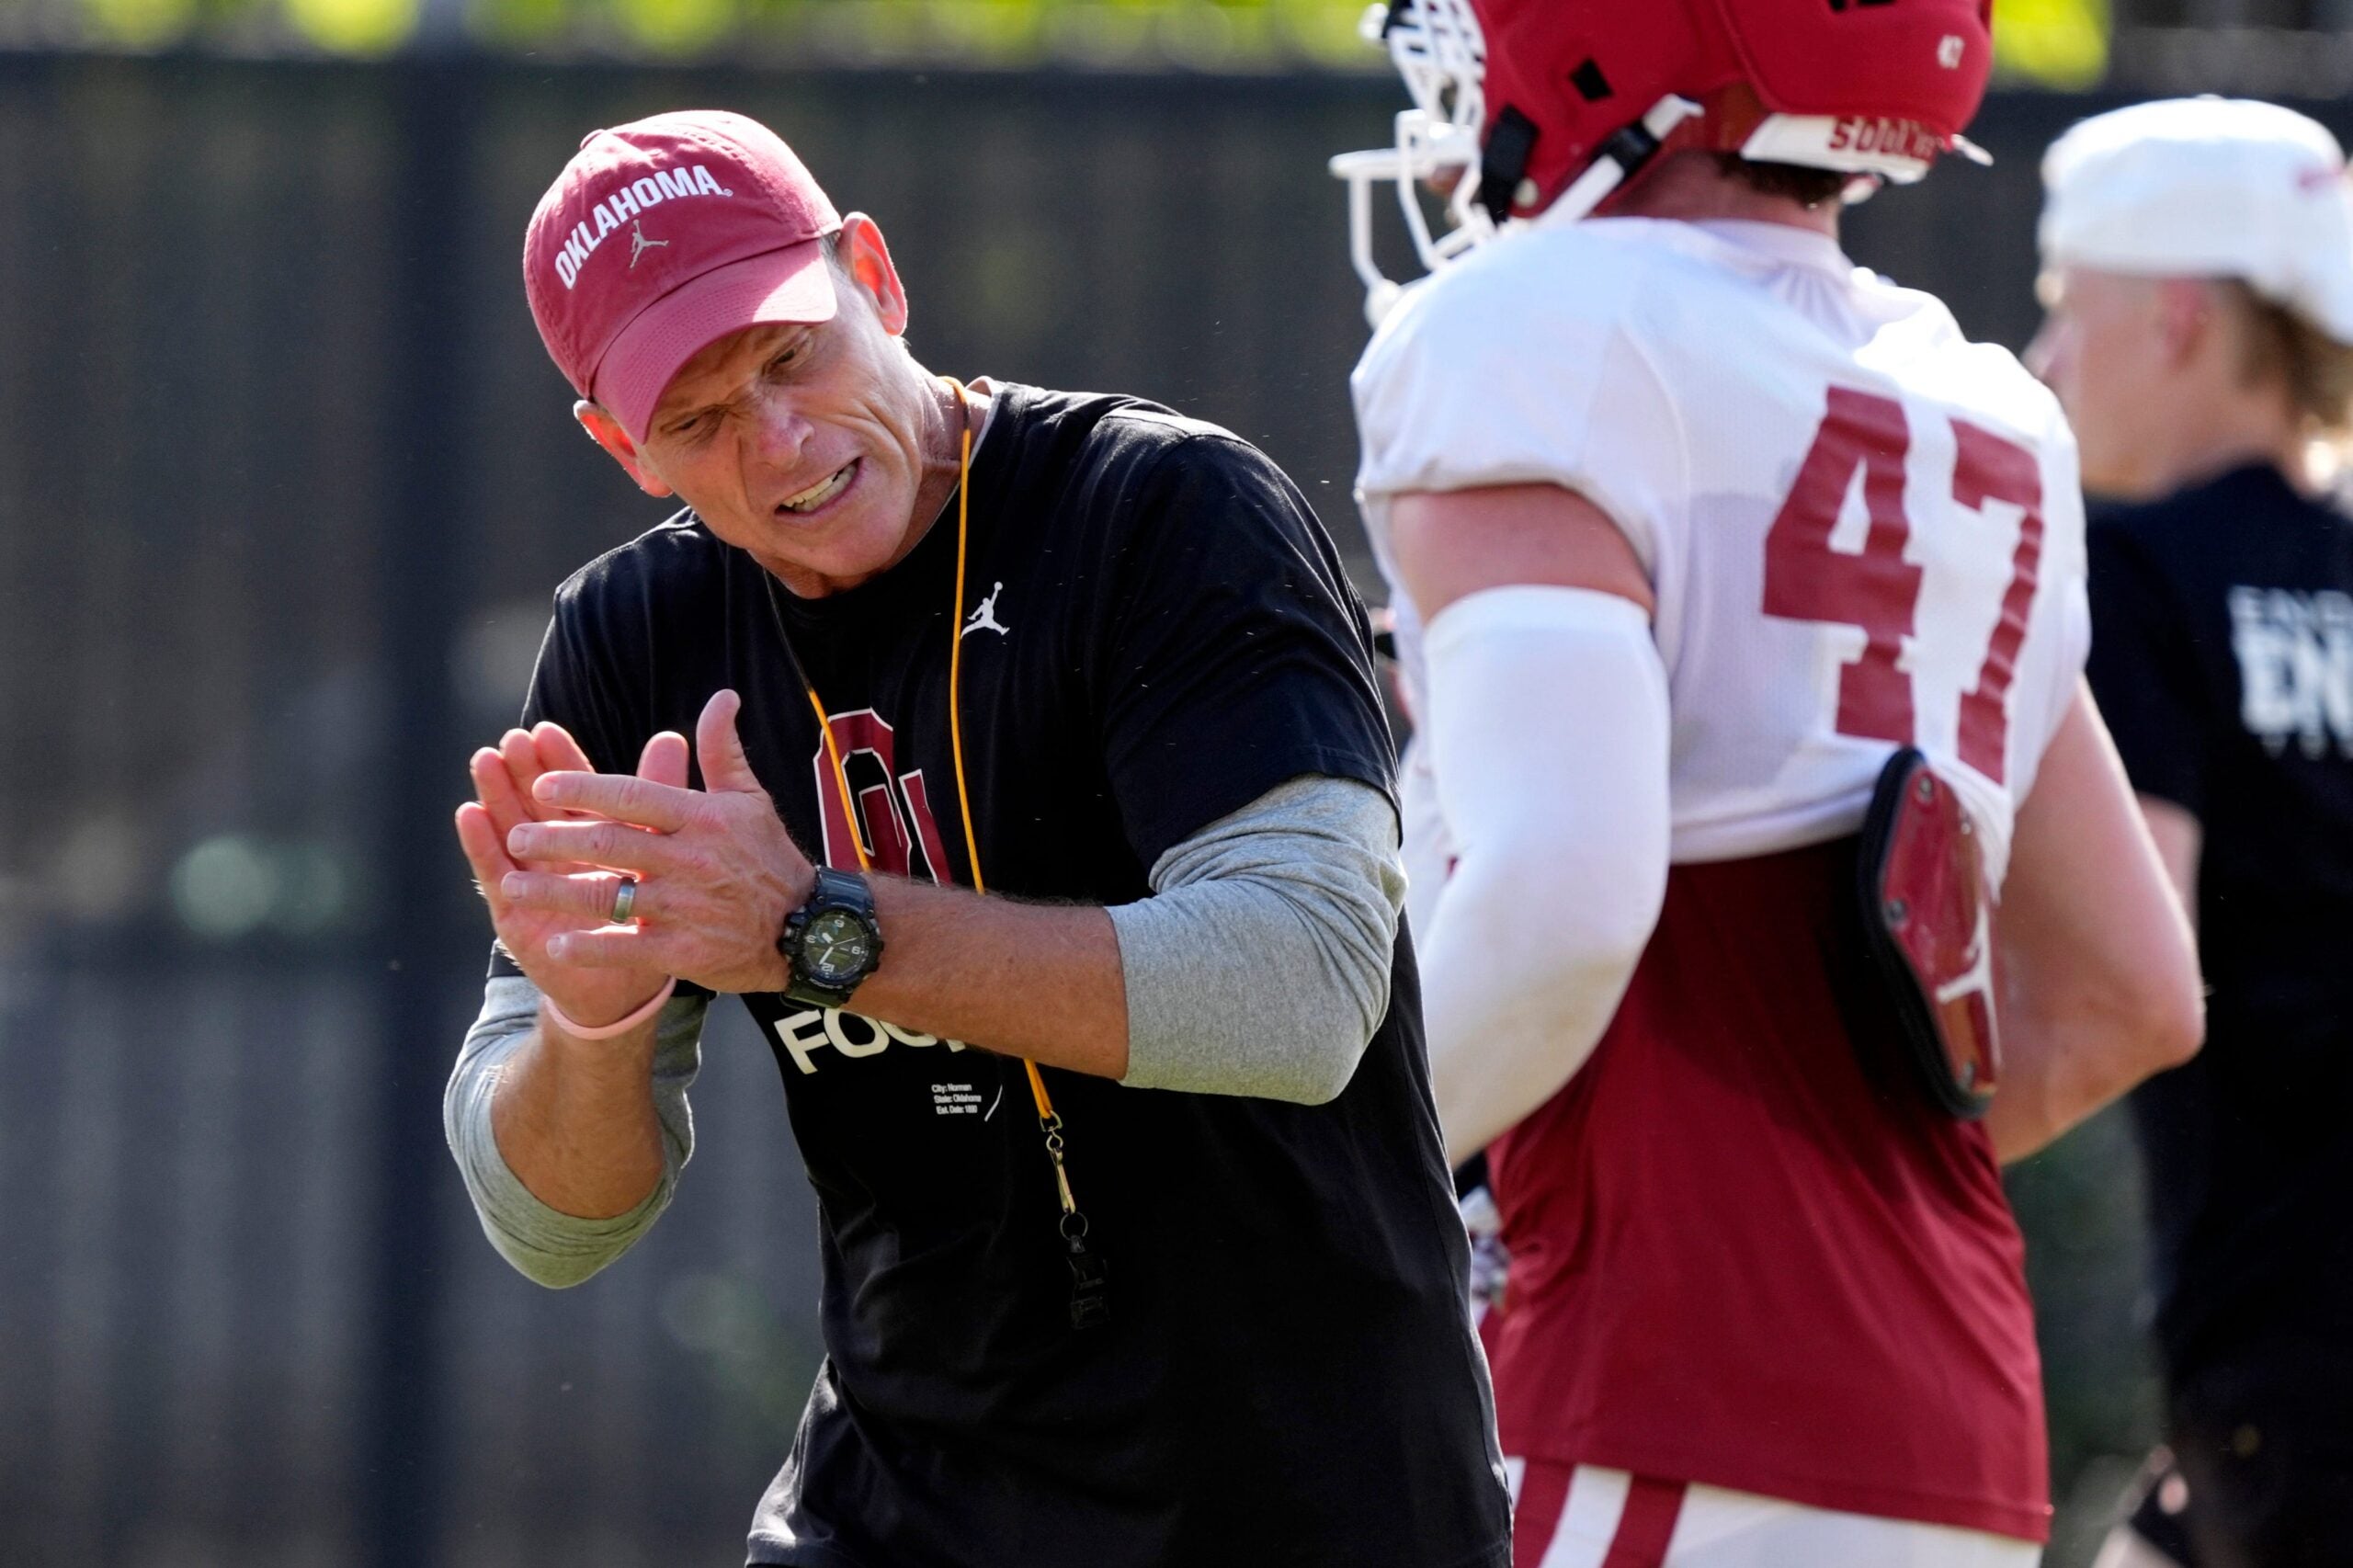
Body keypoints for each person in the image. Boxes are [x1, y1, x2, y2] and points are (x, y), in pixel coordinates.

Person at [442, 109, 1510, 1568]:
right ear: (623, 447)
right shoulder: (631, 641)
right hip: (899, 1504)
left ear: (876, 278)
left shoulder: (1167, 509)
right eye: (696, 419)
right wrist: (592, 1026)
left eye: (790, 354)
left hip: (1305, 1501)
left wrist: (814, 930)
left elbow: (1304, 989)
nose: (779, 439)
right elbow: (554, 1226)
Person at [1335, 2, 2205, 1563]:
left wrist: (1295, 1199)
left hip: (1652, 1386)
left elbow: (1559, 906)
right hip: (1949, 1422)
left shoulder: (1540, 329)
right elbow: (2130, 991)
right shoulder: (1982, 402)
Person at [2027, 98, 2353, 1568]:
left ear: (2174, 320)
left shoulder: (2136, 574)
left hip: (2284, 1350)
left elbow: (2129, 958)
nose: (2045, 360)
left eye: (2065, 306)